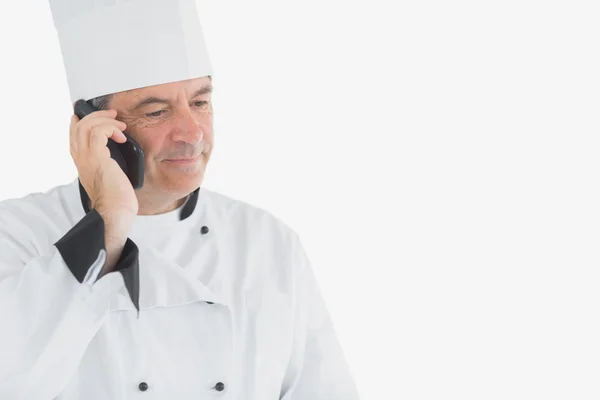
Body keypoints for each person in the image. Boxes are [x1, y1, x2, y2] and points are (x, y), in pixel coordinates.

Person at [0, 0, 359, 399]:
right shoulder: (17, 234)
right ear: (93, 128)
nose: (192, 132)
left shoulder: (267, 242)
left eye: (201, 102)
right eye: (156, 112)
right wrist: (110, 220)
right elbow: (13, 379)